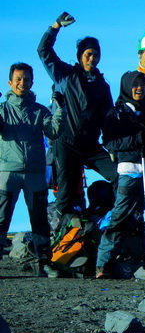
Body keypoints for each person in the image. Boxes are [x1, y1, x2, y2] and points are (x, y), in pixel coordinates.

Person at [37, 12, 116, 223]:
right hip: (67, 143)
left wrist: (114, 148)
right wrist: (55, 27)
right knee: (66, 193)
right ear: (80, 55)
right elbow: (43, 51)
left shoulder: (102, 84)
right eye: (88, 54)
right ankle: (66, 233)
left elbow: (108, 119)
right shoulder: (65, 74)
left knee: (120, 176)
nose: (92, 58)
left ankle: (100, 216)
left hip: (91, 145)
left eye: (96, 54)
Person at [95, 71, 145, 279]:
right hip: (129, 171)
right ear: (126, 87)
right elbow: (110, 143)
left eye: (142, 84)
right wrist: (137, 139)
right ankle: (103, 264)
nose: (140, 88)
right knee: (120, 217)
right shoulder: (115, 113)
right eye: (135, 84)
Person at [0, 63, 63, 264]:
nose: (22, 83)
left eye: (26, 79)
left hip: (35, 172)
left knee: (39, 220)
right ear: (10, 82)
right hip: (7, 171)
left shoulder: (40, 111)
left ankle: (45, 262)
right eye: (18, 79)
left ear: (32, 82)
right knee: (1, 218)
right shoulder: (2, 110)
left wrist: (60, 110)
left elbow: (53, 132)